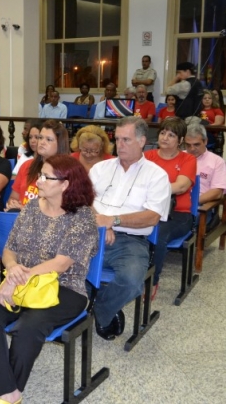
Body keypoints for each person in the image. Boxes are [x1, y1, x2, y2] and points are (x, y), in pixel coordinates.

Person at [0, 155, 98, 404]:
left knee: (29, 326)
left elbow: (61, 263)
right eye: (40, 174)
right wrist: (11, 269)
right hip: (23, 280)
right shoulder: (32, 207)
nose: (38, 180)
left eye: (46, 176)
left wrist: (16, 278)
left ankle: (8, 394)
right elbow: (10, 249)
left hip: (66, 288)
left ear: (65, 184)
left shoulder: (82, 217)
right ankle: (8, 390)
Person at [90, 117, 170, 340]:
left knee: (132, 281)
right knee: (62, 265)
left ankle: (100, 309)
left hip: (131, 242)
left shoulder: (156, 175)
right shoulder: (100, 168)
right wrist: (101, 222)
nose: (119, 145)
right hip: (92, 233)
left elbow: (152, 217)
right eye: (117, 139)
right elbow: (83, 201)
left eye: (126, 139)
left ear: (142, 141)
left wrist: (113, 221)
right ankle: (82, 307)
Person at [144, 118, 196, 295]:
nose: (165, 137)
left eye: (171, 135)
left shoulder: (187, 159)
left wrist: (152, 190)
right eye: (163, 133)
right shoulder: (148, 156)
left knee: (157, 233)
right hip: (149, 209)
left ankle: (152, 281)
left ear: (180, 140)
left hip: (178, 214)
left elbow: (180, 186)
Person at [6, 120, 69, 211]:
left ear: (60, 144)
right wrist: (12, 204)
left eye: (48, 139)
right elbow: (13, 198)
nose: (42, 142)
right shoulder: (27, 165)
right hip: (21, 218)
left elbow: (60, 210)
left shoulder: (68, 171)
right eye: (40, 137)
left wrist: (25, 210)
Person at [184, 123, 226, 225]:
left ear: (205, 141)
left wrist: (190, 202)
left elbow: (217, 192)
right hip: (175, 204)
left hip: (200, 207)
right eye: (188, 145)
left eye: (196, 144)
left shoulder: (217, 161)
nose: (192, 149)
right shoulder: (180, 157)